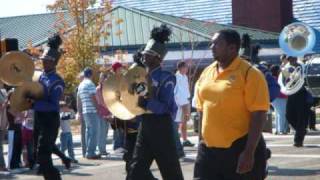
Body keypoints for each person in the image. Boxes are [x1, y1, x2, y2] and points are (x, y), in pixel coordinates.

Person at [193, 29, 269, 180]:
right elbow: (202, 109)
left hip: (239, 148)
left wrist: (249, 153)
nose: (211, 46)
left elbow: (259, 114)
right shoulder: (207, 72)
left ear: (232, 48)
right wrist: (201, 142)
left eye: (217, 43)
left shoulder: (250, 74)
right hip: (208, 151)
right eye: (211, 43)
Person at [127, 24, 183, 180]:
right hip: (145, 125)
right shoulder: (141, 76)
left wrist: (145, 102)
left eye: (149, 54)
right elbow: (139, 99)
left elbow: (165, 107)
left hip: (161, 127)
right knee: (135, 172)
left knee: (171, 173)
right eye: (145, 53)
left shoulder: (167, 77)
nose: (144, 56)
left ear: (158, 58)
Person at [32, 34, 66, 180]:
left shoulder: (57, 81)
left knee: (43, 155)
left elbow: (53, 105)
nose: (43, 62)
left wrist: (35, 103)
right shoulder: (40, 76)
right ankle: (64, 159)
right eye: (43, 60)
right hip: (38, 117)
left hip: (50, 119)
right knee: (40, 153)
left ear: (53, 62)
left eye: (46, 61)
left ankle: (55, 177)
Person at [283, 56, 309, 147]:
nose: (290, 61)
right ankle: (301, 130)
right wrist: (286, 78)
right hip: (291, 93)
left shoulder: (301, 67)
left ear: (295, 58)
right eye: (289, 59)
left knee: (300, 117)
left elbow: (303, 79)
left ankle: (298, 140)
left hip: (300, 94)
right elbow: (283, 82)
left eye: (292, 59)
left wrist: (294, 75)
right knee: (288, 115)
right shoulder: (286, 68)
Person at [77, 67, 101, 159]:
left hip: (85, 110)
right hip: (92, 111)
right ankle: (91, 152)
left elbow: (79, 100)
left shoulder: (81, 85)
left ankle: (88, 151)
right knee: (94, 132)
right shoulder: (90, 84)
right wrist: (97, 108)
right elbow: (93, 97)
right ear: (91, 74)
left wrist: (79, 112)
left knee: (88, 131)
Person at [174, 61, 193, 148]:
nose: (187, 69)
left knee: (184, 122)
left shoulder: (184, 76)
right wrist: (182, 103)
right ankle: (175, 141)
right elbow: (176, 92)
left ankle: (185, 140)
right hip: (179, 103)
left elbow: (185, 90)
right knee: (177, 123)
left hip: (185, 101)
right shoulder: (176, 77)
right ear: (180, 68)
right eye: (185, 67)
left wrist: (187, 100)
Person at [270, 65, 289, 134]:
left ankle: (278, 130)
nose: (280, 70)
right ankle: (281, 130)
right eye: (279, 69)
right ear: (277, 70)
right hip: (281, 97)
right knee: (282, 114)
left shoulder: (272, 78)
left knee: (278, 114)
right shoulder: (278, 78)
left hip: (274, 98)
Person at [96, 73, 110, 156]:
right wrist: (110, 108)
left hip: (108, 113)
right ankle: (101, 150)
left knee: (105, 132)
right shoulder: (98, 89)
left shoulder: (108, 89)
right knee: (101, 132)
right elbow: (100, 102)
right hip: (101, 113)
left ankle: (103, 149)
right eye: (103, 78)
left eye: (106, 79)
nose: (105, 80)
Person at [0, 83, 8, 171]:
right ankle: (2, 166)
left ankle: (2, 166)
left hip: (2, 123)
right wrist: (5, 103)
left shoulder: (3, 92)